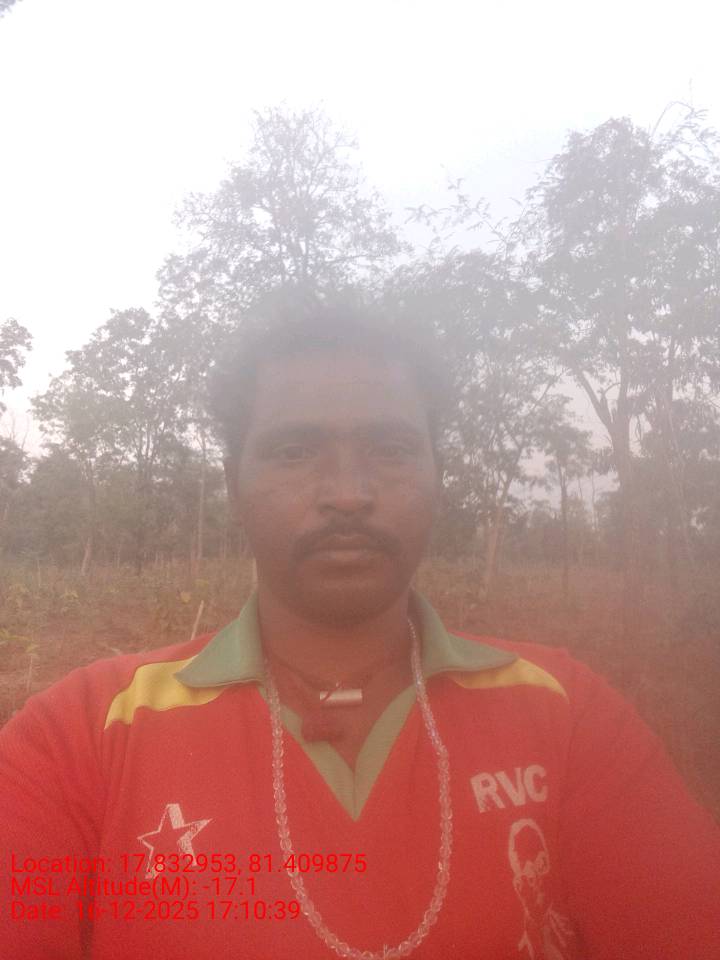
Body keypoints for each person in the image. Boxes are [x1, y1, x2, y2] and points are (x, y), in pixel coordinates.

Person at [1, 301, 719, 960]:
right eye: (294, 451)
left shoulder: (564, 713)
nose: (348, 493)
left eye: (392, 449)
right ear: (233, 483)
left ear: (438, 474)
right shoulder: (81, 737)